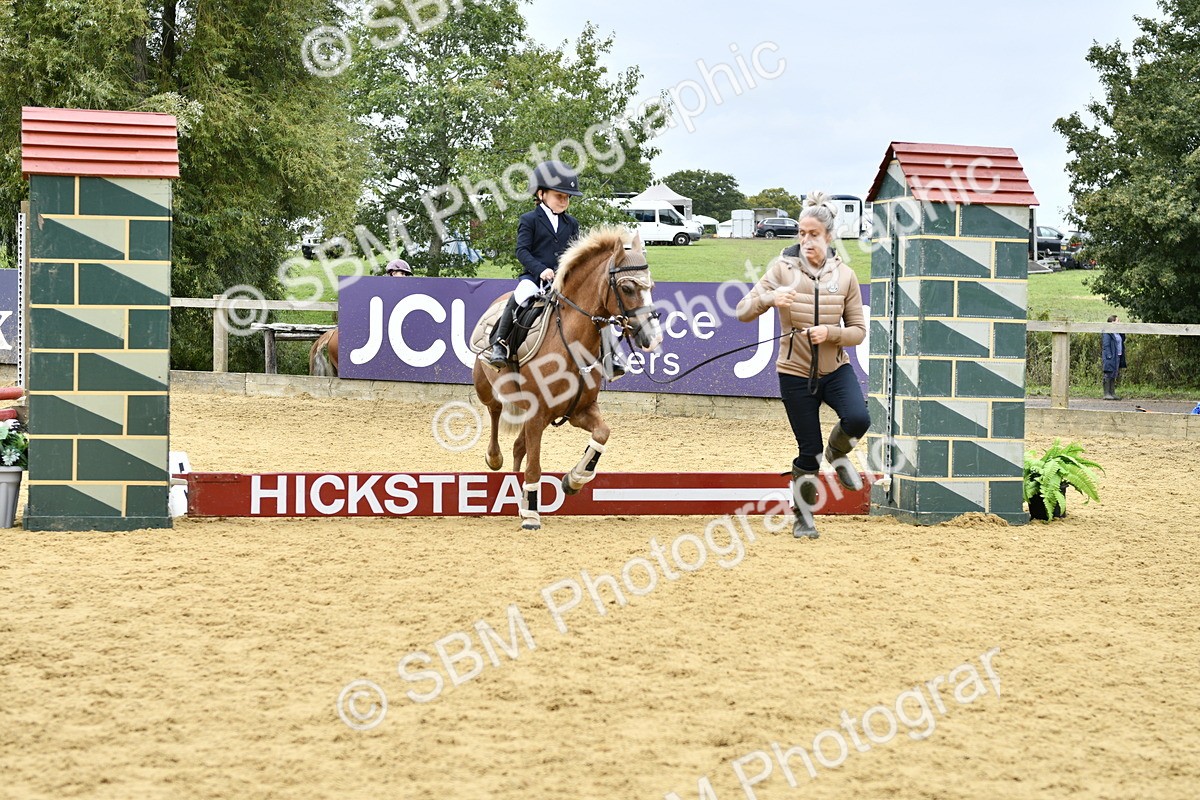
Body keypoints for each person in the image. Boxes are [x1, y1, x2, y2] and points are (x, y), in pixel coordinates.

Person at [736, 192, 869, 539]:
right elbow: (742, 310)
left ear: (828, 236)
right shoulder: (781, 269)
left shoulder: (846, 276)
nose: (806, 240)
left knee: (858, 418)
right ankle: (803, 517)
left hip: (835, 368)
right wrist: (768, 298)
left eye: (813, 234)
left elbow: (858, 331)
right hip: (794, 373)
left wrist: (831, 332)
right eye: (801, 233)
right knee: (808, 452)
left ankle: (838, 452)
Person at [481, 160, 626, 379]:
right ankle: (500, 344)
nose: (564, 201)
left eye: (567, 197)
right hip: (535, 278)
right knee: (520, 296)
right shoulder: (529, 220)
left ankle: (610, 356)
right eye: (559, 196)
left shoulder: (572, 223)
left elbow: (577, 254)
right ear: (541, 194)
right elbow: (522, 251)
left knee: (595, 308)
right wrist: (541, 270)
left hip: (564, 281)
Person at [1101, 314, 1126, 400]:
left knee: (1114, 373)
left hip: (1118, 355)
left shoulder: (1117, 332)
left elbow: (1123, 339)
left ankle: (1112, 392)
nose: (1119, 322)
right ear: (1112, 322)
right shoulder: (1107, 332)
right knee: (1108, 373)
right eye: (1118, 321)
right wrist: (1108, 355)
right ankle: (1106, 393)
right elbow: (1106, 344)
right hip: (1110, 355)